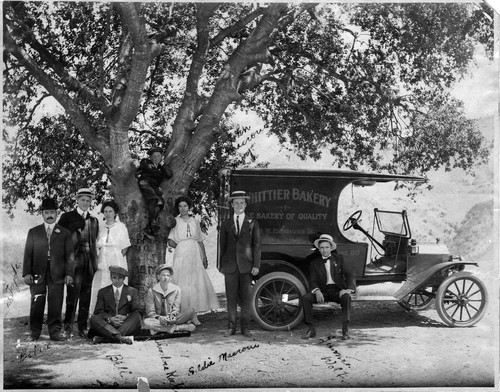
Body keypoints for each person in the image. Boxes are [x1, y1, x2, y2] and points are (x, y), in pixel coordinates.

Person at [22, 198, 75, 341]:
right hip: (37, 272)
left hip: (57, 273)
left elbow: (70, 256)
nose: (49, 215)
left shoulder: (64, 233)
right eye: (46, 212)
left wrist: (69, 274)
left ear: (57, 213)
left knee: (56, 303)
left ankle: (55, 332)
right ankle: (34, 333)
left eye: (52, 212)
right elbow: (28, 253)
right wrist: (27, 272)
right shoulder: (34, 232)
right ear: (42, 214)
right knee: (37, 302)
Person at [167, 196, 219, 325]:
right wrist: (181, 245)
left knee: (195, 283)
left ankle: (194, 315)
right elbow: (170, 241)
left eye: (185, 206)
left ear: (189, 207)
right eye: (180, 206)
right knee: (182, 283)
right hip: (181, 254)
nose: (183, 208)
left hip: (195, 253)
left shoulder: (194, 221)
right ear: (178, 208)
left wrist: (204, 257)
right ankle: (185, 314)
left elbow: (200, 239)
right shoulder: (175, 221)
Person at [218, 190, 261, 338]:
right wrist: (222, 265)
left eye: (241, 202)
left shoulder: (252, 223)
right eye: (236, 203)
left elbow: (256, 246)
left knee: (246, 298)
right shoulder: (226, 224)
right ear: (231, 205)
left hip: (246, 266)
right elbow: (222, 246)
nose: (239, 205)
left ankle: (245, 328)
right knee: (230, 298)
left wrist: (256, 265)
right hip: (230, 266)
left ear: (246, 204)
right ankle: (231, 327)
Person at [58, 188, 99, 337]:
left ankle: (82, 327)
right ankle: (68, 327)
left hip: (89, 262)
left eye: (88, 201)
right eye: (83, 200)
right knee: (72, 295)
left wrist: (94, 264)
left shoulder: (94, 220)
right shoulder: (67, 217)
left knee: (86, 295)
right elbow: (59, 240)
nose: (86, 203)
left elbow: (94, 242)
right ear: (77, 200)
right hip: (73, 261)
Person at [301, 234, 356, 340]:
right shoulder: (314, 263)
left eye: (327, 247)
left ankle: (345, 331)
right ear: (318, 249)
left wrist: (348, 289)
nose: (324, 250)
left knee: (346, 298)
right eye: (322, 247)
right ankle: (311, 329)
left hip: (337, 290)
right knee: (306, 298)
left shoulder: (339, 259)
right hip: (323, 291)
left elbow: (350, 274)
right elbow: (312, 280)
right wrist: (316, 291)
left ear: (331, 248)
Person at [89, 200, 131, 314]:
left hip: (116, 256)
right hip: (103, 257)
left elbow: (125, 247)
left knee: (115, 282)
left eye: (110, 211)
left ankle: (116, 313)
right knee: (102, 282)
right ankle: (99, 313)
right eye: (106, 211)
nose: (108, 214)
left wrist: (117, 258)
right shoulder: (101, 227)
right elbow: (96, 244)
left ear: (115, 213)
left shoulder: (121, 227)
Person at [88, 266, 142, 344]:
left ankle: (105, 339)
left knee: (137, 316)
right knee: (93, 318)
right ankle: (119, 337)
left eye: (120, 278)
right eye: (114, 277)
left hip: (124, 325)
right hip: (107, 325)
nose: (117, 280)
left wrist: (125, 317)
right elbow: (98, 312)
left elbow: (137, 311)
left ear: (124, 279)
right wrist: (110, 319)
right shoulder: (103, 292)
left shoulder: (132, 291)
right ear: (110, 278)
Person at [143, 265, 197, 335]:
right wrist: (159, 318)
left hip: (173, 319)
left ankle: (158, 329)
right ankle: (178, 328)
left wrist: (173, 315)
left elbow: (176, 307)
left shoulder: (176, 289)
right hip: (159, 320)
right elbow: (150, 312)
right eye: (163, 275)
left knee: (191, 310)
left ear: (170, 277)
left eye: (168, 275)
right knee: (146, 322)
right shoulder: (152, 291)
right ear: (158, 277)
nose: (166, 278)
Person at [135, 146, 172, 237]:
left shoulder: (161, 167)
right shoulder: (145, 162)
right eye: (154, 156)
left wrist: (163, 164)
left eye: (158, 156)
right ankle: (152, 224)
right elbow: (137, 169)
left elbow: (169, 175)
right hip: (145, 183)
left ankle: (149, 226)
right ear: (150, 157)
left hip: (154, 187)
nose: (156, 158)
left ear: (161, 157)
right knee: (154, 199)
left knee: (160, 203)